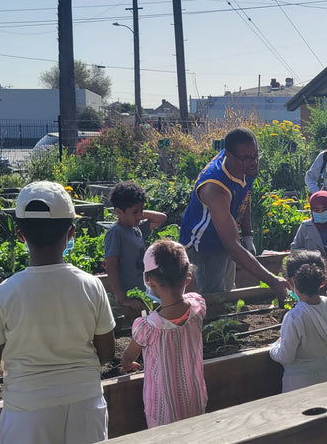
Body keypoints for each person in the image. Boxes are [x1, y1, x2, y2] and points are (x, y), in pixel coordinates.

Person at [0, 181, 116, 444]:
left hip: (27, 410)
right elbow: (106, 353)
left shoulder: (4, 293)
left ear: (20, 235)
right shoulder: (91, 285)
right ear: (71, 233)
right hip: (86, 403)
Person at [179, 127, 288, 298]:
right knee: (214, 297)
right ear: (228, 155)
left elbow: (245, 196)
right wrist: (272, 280)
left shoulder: (245, 165)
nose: (253, 161)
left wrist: (248, 235)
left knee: (229, 292)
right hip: (203, 244)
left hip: (226, 235)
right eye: (246, 158)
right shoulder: (215, 188)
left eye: (255, 155)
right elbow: (232, 246)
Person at [120, 240, 207, 428]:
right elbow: (192, 301)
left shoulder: (148, 327)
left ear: (149, 281)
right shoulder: (199, 308)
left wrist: (127, 363)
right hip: (194, 398)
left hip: (163, 408)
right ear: (188, 278)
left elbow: (129, 355)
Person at [269, 250, 327, 393]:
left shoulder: (295, 316)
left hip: (297, 382)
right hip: (324, 375)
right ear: (323, 281)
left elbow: (286, 356)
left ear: (289, 282)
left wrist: (274, 347)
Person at [104, 181, 167, 312]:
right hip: (129, 299)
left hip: (142, 294)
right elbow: (111, 268)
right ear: (118, 212)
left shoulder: (136, 228)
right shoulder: (116, 233)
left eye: (141, 211)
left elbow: (161, 218)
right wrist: (123, 299)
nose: (139, 216)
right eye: (134, 212)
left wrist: (138, 212)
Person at [290, 191, 327, 259]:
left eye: (324, 209)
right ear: (312, 210)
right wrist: (313, 256)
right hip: (313, 267)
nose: (320, 213)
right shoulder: (306, 226)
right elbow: (294, 250)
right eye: (316, 210)